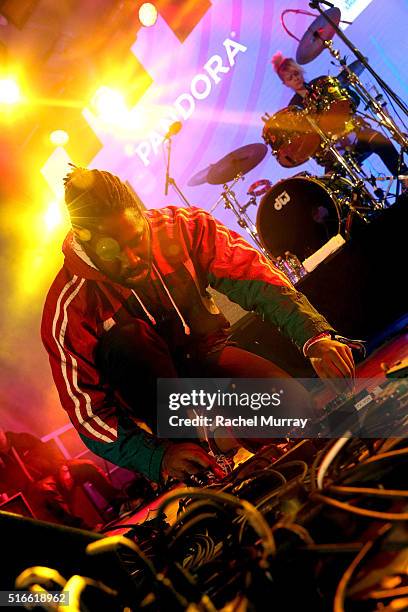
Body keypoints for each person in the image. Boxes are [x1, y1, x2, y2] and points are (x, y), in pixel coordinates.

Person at [41, 167, 355, 484]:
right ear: (87, 242)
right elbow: (88, 413)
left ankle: (221, 438)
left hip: (208, 356)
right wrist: (157, 455)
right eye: (112, 252)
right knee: (128, 340)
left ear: (140, 212)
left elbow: (257, 282)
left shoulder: (185, 228)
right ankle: (197, 453)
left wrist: (314, 337)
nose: (133, 259)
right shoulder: (69, 307)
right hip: (157, 402)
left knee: (294, 408)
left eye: (136, 240)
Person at [271, 52, 407, 180]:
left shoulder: (321, 83)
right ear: (285, 83)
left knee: (380, 141)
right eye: (290, 78)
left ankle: (405, 178)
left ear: (300, 71)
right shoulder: (294, 108)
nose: (296, 78)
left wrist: (345, 101)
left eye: (296, 74)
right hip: (332, 152)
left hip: (352, 132)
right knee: (333, 184)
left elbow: (353, 99)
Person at [0, 427, 124, 527]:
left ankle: (121, 504)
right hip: (37, 492)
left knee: (86, 466)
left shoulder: (23, 439)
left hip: (57, 472)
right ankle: (83, 530)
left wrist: (62, 467)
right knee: (44, 491)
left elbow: (50, 451)